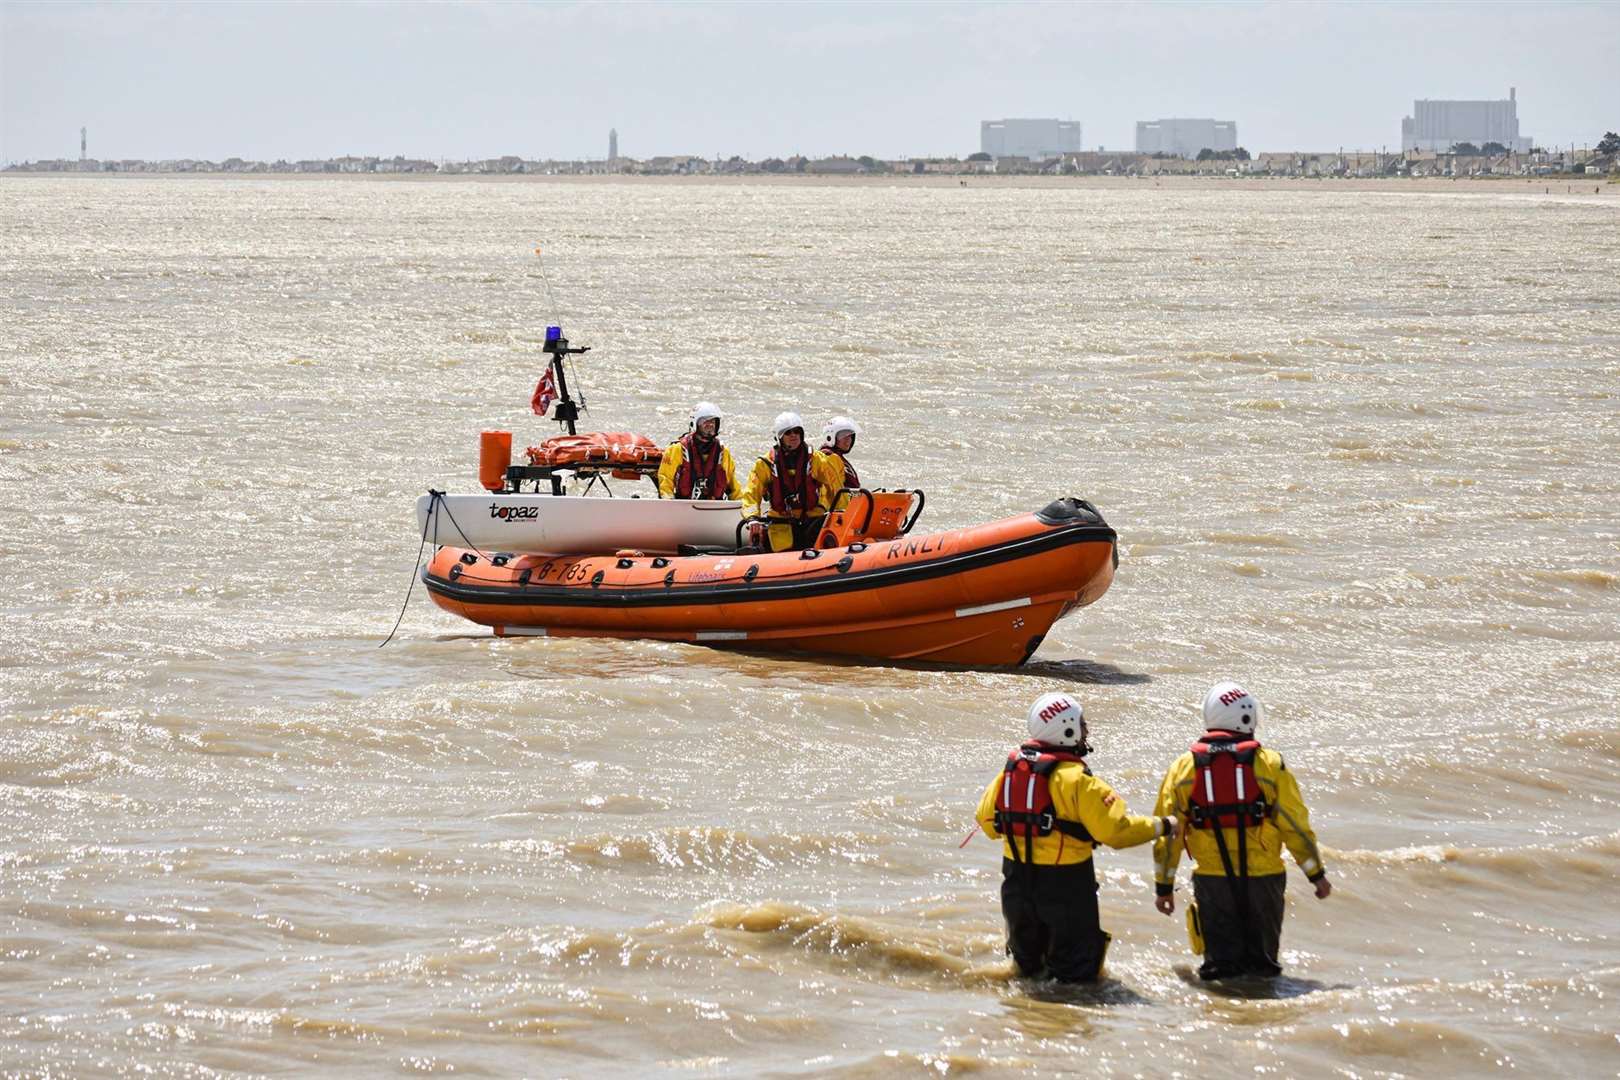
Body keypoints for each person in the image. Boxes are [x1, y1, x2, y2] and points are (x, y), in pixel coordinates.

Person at [975, 692, 1178, 983]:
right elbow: (1116, 832)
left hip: (1016, 888)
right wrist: (1164, 825)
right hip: (1066, 890)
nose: (1086, 729)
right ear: (1067, 728)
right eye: (1082, 723)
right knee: (1077, 984)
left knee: (1027, 975)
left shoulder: (1008, 774)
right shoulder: (1080, 781)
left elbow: (986, 824)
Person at [1151, 681, 1331, 981]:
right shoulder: (1270, 765)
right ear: (1247, 717)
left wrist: (1164, 887)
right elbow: (1295, 826)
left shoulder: (1183, 768)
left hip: (1212, 882)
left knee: (1219, 973)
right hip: (1265, 881)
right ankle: (1261, 1016)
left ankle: (1224, 1018)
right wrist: (1316, 874)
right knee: (1264, 972)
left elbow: (1168, 835)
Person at [740, 411, 832, 551]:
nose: (793, 435)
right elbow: (751, 494)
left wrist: (843, 511)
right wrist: (752, 518)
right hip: (780, 521)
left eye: (797, 431)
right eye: (788, 433)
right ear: (779, 437)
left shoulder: (817, 459)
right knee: (779, 546)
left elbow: (834, 486)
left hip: (812, 519)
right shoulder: (765, 464)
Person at [657, 402, 741, 501]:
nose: (710, 424)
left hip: (714, 507)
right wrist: (669, 501)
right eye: (705, 421)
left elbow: (733, 485)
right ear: (694, 423)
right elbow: (665, 480)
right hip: (683, 506)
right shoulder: (677, 450)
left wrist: (742, 506)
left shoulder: (723, 453)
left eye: (713, 421)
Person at [811, 415, 862, 509]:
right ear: (830, 436)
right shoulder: (827, 457)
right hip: (838, 512)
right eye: (843, 435)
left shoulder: (838, 457)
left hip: (850, 507)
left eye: (850, 436)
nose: (848, 440)